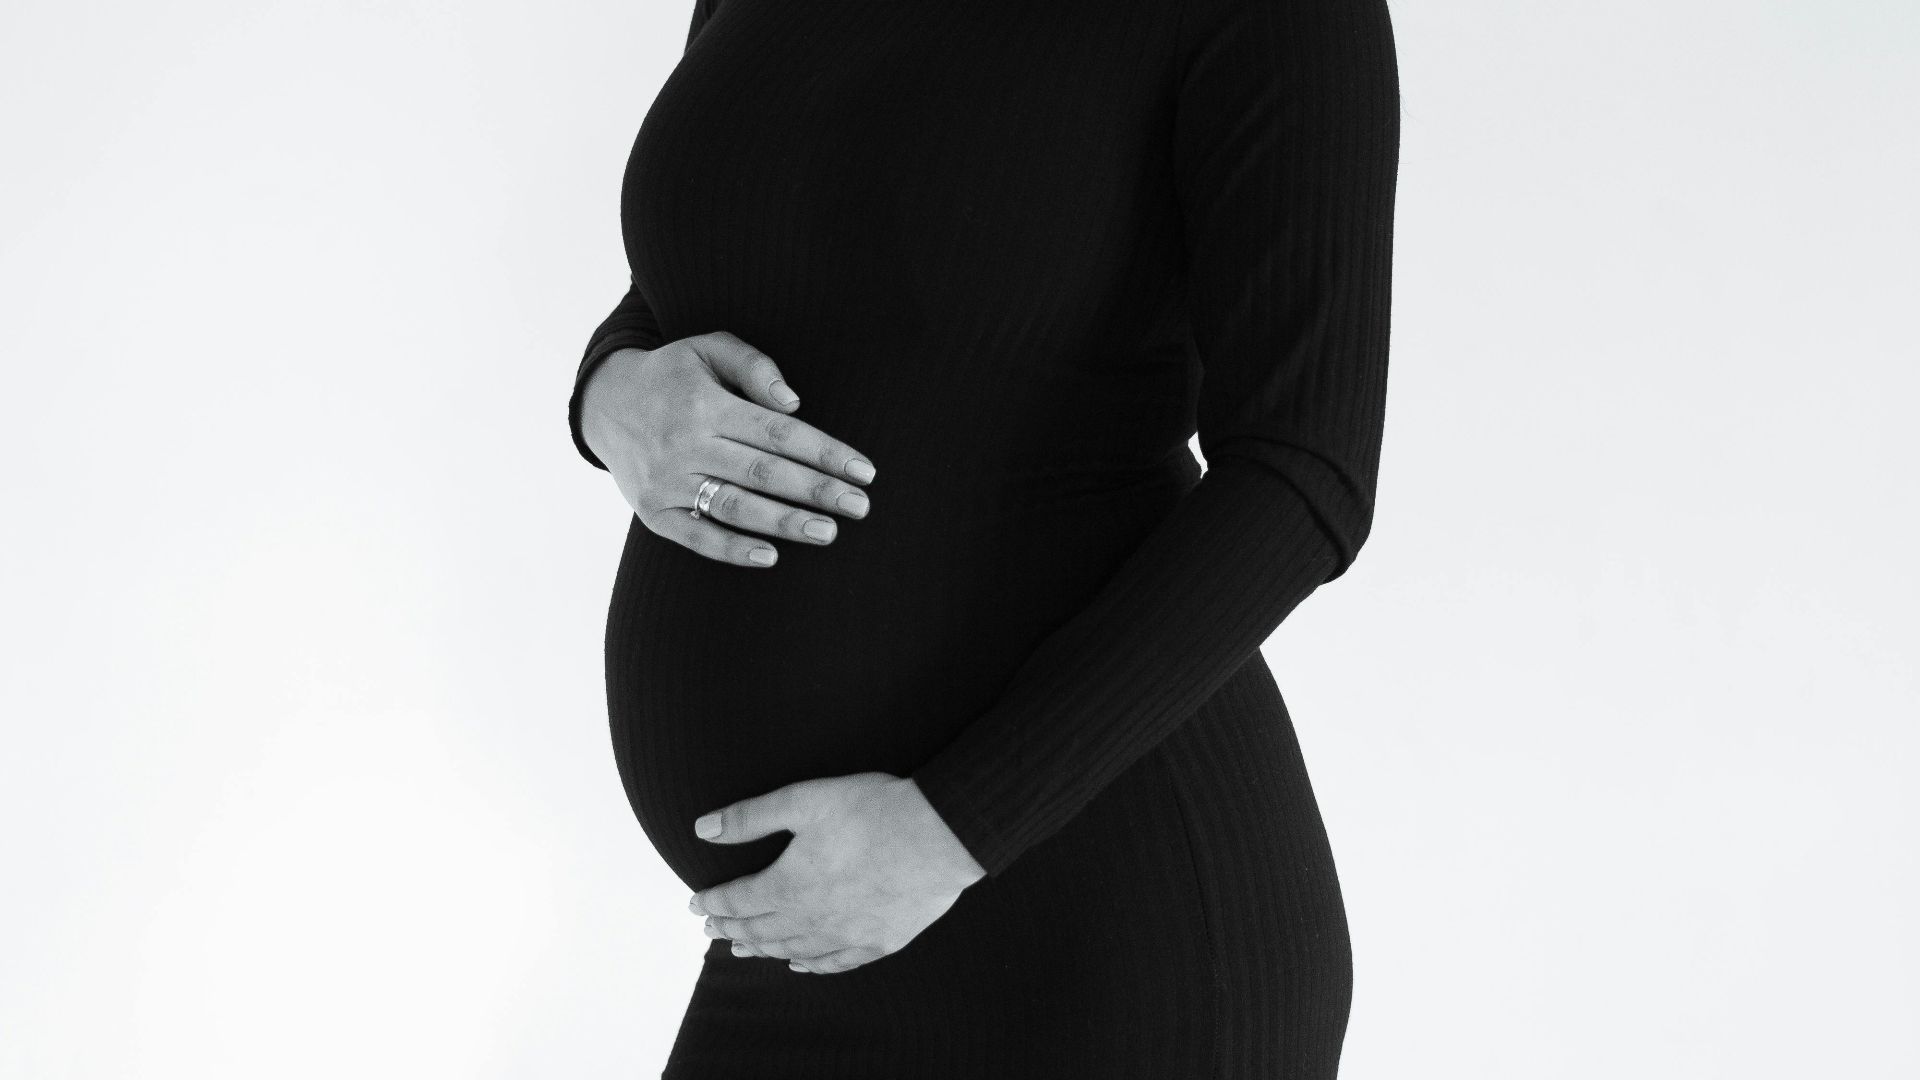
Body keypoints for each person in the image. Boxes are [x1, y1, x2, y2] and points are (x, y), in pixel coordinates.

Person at [569, 0, 1399, 1073]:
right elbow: (726, 263)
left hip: (1093, 934)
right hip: (796, 946)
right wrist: (612, 390)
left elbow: (1305, 467)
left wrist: (953, 829)